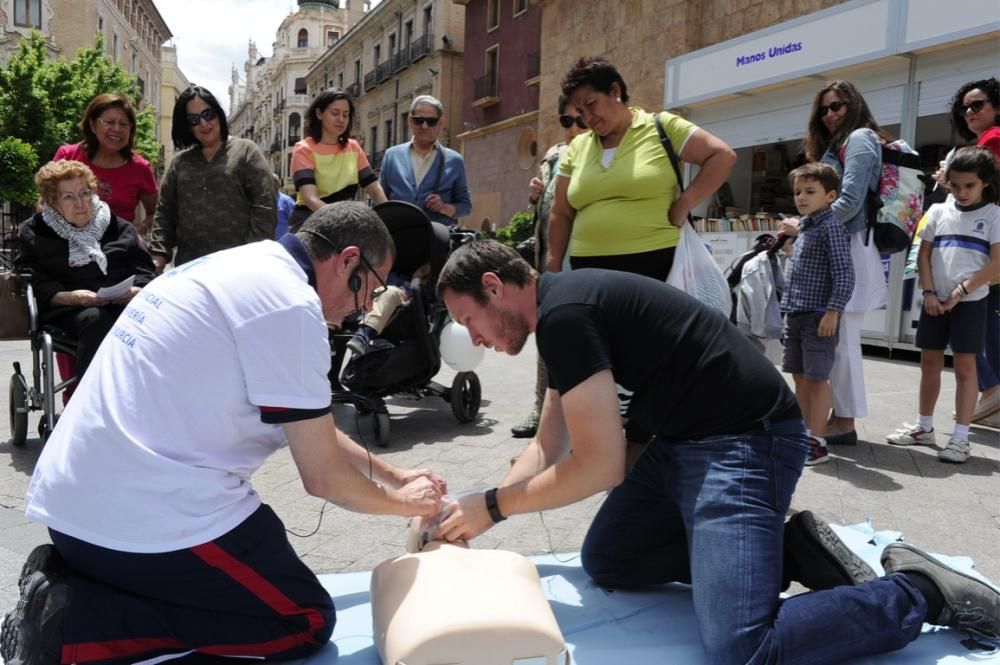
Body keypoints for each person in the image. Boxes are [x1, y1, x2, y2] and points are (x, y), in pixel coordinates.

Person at [434, 239, 999, 665]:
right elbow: (548, 444)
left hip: (746, 441)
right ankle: (787, 551)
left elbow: (599, 464)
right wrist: (473, 509)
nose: (474, 338)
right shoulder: (558, 310)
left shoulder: (564, 314)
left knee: (743, 643)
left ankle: (918, 590)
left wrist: (495, 505)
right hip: (684, 444)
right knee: (609, 559)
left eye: (468, 320)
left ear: (494, 286)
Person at [0, 201, 446, 665]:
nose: (363, 309)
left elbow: (310, 427)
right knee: (303, 619)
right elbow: (323, 479)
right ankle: (73, 624)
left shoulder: (241, 266)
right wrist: (407, 505)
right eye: (370, 291)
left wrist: (392, 473)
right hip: (133, 526)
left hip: (75, 516)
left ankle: (72, 582)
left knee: (252, 561)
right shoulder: (291, 305)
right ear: (349, 260)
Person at [545, 56, 736, 279]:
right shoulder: (577, 146)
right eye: (580, 112)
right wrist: (553, 265)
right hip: (588, 269)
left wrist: (684, 204)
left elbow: (722, 156)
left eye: (590, 104)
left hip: (655, 263)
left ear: (615, 91)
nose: (587, 118)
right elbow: (561, 212)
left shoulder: (662, 126)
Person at [779, 79, 892, 446]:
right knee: (837, 343)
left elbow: (850, 201)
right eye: (824, 108)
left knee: (842, 342)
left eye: (838, 106)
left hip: (850, 245)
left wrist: (804, 224)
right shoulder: (838, 144)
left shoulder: (859, 138)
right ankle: (832, 417)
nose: (830, 114)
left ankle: (844, 420)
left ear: (854, 105)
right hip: (837, 243)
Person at [886, 147, 1000, 463]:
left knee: (966, 367)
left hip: (971, 302)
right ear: (947, 181)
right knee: (930, 363)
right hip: (934, 301)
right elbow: (923, 254)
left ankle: (960, 438)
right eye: (955, 185)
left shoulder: (994, 215)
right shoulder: (936, 212)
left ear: (986, 183)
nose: (961, 192)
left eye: (970, 186)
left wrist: (962, 291)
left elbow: (997, 263)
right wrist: (929, 293)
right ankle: (924, 428)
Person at [15, 160, 155, 379]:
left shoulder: (117, 226)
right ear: (52, 201)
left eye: (85, 193)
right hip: (67, 310)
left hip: (122, 303)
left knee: (148, 320)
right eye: (68, 197)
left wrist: (136, 290)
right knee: (96, 319)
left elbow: (144, 270)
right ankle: (92, 401)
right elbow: (30, 277)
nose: (80, 203)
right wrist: (69, 297)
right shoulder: (35, 231)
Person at [511, 95, 588, 439]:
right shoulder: (554, 154)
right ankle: (541, 409)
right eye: (565, 121)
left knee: (587, 340)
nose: (572, 129)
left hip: (587, 263)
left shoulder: (599, 153)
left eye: (580, 121)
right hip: (551, 263)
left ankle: (584, 415)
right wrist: (534, 196)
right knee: (547, 337)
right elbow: (543, 211)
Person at [149, 85, 275, 272]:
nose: (203, 123)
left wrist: (250, 256)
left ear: (218, 113)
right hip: (190, 269)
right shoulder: (179, 162)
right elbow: (165, 212)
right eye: (193, 120)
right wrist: (158, 256)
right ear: (186, 126)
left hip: (240, 269)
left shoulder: (246, 151)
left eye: (208, 114)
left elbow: (265, 207)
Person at [935, 78, 1000, 427]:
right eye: (966, 107)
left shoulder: (993, 139)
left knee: (978, 319)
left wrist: (949, 177)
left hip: (982, 242)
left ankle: (993, 392)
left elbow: (979, 185)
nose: (970, 112)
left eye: (979, 105)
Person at [780, 163, 854, 465]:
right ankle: (801, 432)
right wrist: (788, 249)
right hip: (796, 312)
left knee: (817, 377)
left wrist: (833, 311)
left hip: (818, 316)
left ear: (831, 195)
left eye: (810, 191)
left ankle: (817, 440)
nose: (802, 197)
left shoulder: (831, 227)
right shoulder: (807, 227)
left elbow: (844, 274)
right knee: (799, 376)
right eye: (798, 191)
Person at [53, 93, 158, 234]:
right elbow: (43, 204)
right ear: (92, 124)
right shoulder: (67, 156)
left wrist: (137, 231)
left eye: (123, 124)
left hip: (118, 250)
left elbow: (156, 213)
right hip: (67, 247)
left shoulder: (140, 168)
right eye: (109, 122)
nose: (117, 129)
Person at [288, 89, 387, 233]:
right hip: (310, 224)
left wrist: (389, 214)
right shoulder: (303, 149)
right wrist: (342, 221)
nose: (341, 119)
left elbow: (374, 187)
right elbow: (310, 198)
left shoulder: (353, 147)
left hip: (345, 225)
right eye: (335, 113)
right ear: (319, 113)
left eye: (345, 115)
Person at [379, 95, 471, 226]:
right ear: (410, 121)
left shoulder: (454, 160)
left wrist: (444, 207)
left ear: (441, 123)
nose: (424, 126)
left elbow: (465, 206)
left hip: (435, 239)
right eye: (419, 120)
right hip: (397, 237)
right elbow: (379, 200)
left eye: (431, 121)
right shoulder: (392, 156)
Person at [274, 172, 295, 239]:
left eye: (275, 183)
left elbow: (294, 221)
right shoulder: (262, 201)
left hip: (282, 241)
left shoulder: (287, 201)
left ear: (278, 184)